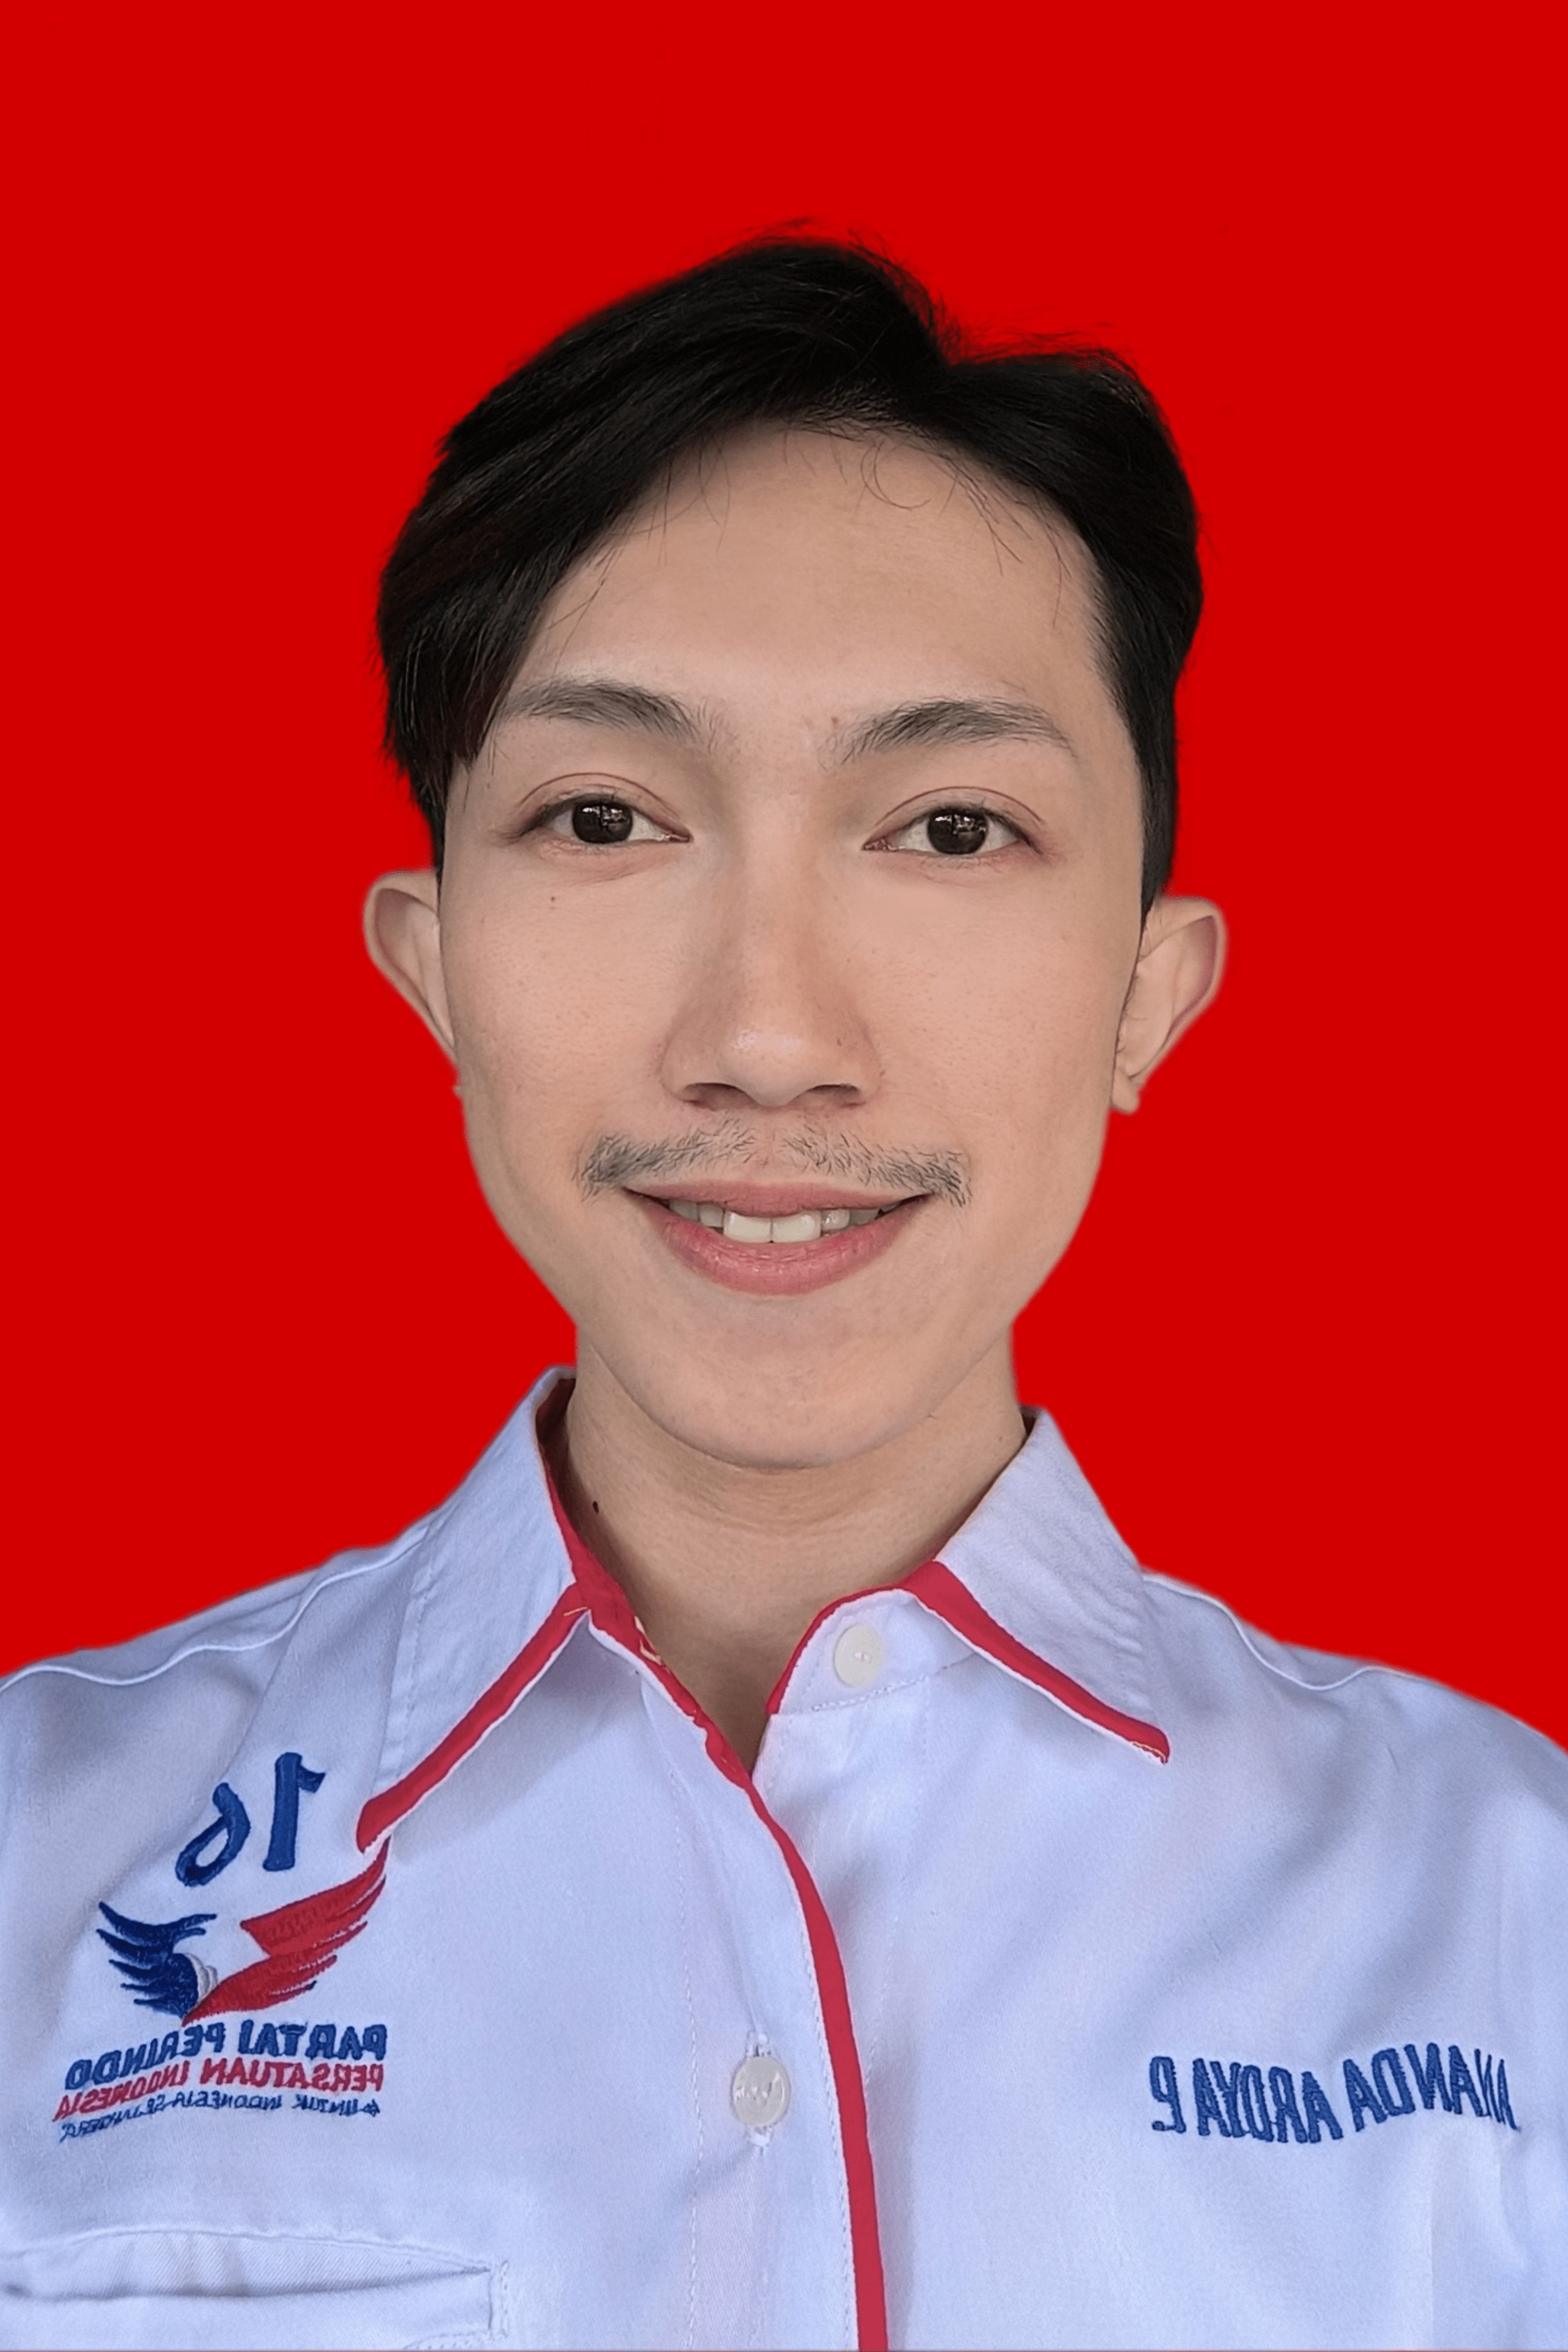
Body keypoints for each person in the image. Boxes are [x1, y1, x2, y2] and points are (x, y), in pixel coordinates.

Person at [1, 239, 1562, 2352]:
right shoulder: (36, 1865)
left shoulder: (1509, 1920)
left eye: (949, 827)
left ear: (1147, 990)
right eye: (604, 815)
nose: (765, 1039)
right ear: (433, 970)